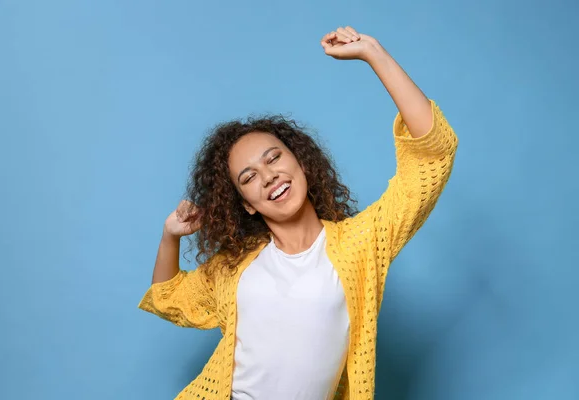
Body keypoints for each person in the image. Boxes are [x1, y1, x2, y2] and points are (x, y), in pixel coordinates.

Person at [138, 26, 458, 400]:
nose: (269, 175)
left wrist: (374, 53)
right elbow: (168, 297)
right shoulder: (235, 269)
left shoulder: (361, 244)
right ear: (245, 203)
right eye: (249, 177)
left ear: (301, 163)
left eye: (274, 158)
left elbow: (433, 155)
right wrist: (170, 236)